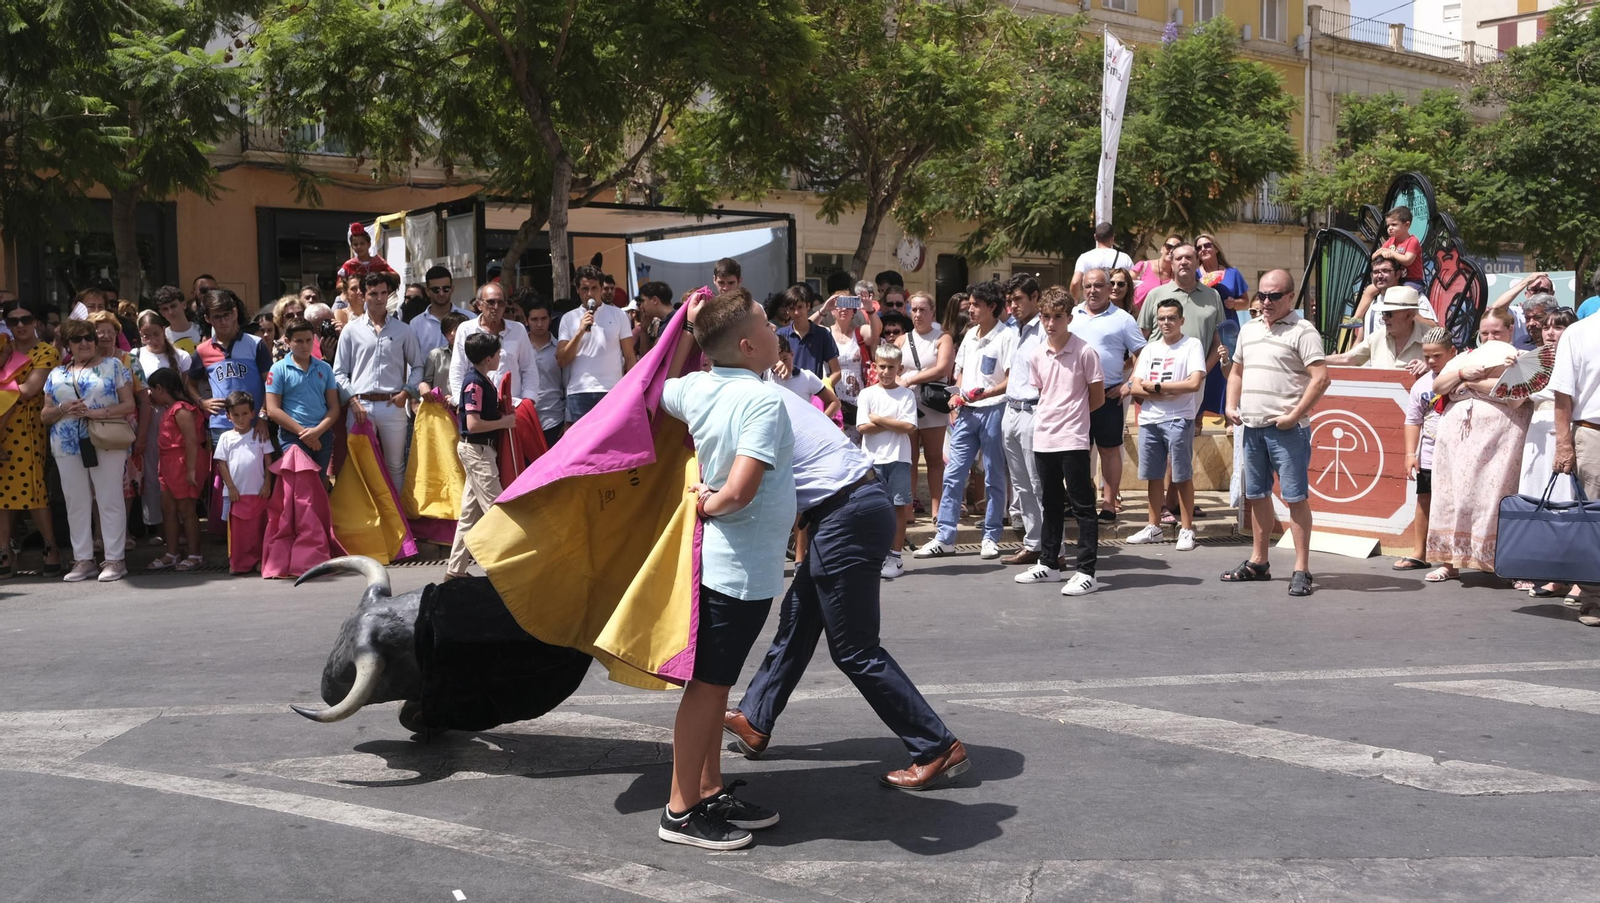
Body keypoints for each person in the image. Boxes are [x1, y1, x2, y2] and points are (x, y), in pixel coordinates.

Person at [725, 380, 968, 791]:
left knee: (855, 650)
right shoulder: (764, 393)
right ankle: (755, 718)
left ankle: (936, 746)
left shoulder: (746, 403)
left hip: (846, 515)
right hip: (847, 510)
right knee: (798, 620)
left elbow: (743, 490)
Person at [657, 289, 794, 851]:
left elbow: (651, 384)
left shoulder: (695, 386)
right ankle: (680, 810)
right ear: (746, 343)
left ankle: (708, 789)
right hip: (736, 571)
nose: (774, 325)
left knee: (715, 686)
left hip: (734, 568)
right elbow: (738, 490)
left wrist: (684, 330)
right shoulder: (762, 401)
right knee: (708, 690)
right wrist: (704, 502)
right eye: (765, 321)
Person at [1221, 270, 1330, 597]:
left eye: (1274, 296)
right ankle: (1259, 561)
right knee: (1256, 496)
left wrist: (1295, 415)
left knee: (1295, 498)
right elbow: (1236, 371)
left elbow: (1321, 378)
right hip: (1251, 427)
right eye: (1263, 295)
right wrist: (1230, 405)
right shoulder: (1249, 329)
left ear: (1290, 297)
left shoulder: (1303, 330)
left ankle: (1301, 568)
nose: (1266, 302)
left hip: (1287, 430)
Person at [1423, 315, 1533, 583]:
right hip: (1457, 439)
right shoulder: (1465, 357)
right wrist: (1462, 374)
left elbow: (1516, 395)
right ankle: (1450, 561)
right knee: (1453, 497)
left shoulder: (1522, 358)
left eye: (1496, 331)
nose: (1490, 337)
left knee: (1497, 497)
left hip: (1501, 439)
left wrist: (1471, 384)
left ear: (1510, 330)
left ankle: (1508, 564)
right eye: (1485, 332)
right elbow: (1439, 386)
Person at [1013, 286, 1105, 595]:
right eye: (1046, 317)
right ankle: (1049, 564)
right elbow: (1043, 392)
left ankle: (1087, 571)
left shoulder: (1085, 351)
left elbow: (1096, 397)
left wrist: (1073, 417)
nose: (1050, 323)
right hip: (1044, 437)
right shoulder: (1037, 353)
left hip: (1074, 438)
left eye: (1057, 317)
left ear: (1069, 318)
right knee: (1049, 503)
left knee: (1082, 506)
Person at [914, 281, 1016, 561]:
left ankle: (991, 535)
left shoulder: (1007, 337)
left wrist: (985, 393)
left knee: (994, 475)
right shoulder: (970, 335)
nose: (970, 309)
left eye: (976, 305)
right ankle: (945, 536)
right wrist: (956, 397)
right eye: (969, 304)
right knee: (953, 474)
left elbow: (1011, 380)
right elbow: (959, 374)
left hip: (994, 410)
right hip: (966, 412)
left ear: (992, 307)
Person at [40, 319, 137, 583]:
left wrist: (96, 412)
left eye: (88, 338)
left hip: (104, 437)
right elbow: (45, 414)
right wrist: (63, 409)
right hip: (66, 442)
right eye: (77, 339)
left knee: (110, 498)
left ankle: (115, 559)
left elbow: (128, 405)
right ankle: (83, 559)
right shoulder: (56, 374)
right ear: (68, 345)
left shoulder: (113, 365)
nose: (84, 343)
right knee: (76, 502)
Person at [1138, 244, 1226, 521]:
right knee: (1160, 444)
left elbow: (1217, 339)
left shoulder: (1212, 296)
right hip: (1155, 383)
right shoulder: (1156, 295)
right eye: (1179, 258)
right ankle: (1163, 507)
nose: (1184, 262)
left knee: (1182, 442)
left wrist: (1200, 373)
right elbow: (1142, 339)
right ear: (1171, 262)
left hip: (1193, 382)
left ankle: (1173, 502)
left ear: (1198, 260)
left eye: (1189, 257)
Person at [1126, 297, 1207, 551]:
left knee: (1182, 476)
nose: (1166, 322)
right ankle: (1154, 527)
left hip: (1179, 418)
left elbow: (1193, 383)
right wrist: (1165, 391)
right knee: (1153, 475)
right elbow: (1136, 386)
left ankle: (1186, 529)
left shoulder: (1191, 345)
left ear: (1182, 320)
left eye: (1172, 318)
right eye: (1162, 318)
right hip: (1150, 419)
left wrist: (1160, 387)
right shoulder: (1150, 348)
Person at [334, 272, 424, 488]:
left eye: (384, 293)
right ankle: (365, 520)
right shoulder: (350, 330)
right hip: (360, 405)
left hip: (392, 404)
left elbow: (418, 366)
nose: (379, 298)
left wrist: (406, 393)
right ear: (363, 295)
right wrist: (353, 402)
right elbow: (339, 372)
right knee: (360, 465)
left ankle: (397, 520)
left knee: (395, 466)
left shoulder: (404, 330)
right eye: (373, 293)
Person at [1072, 268, 1147, 520]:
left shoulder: (1123, 318)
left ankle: (1109, 503)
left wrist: (1128, 386)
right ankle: (1081, 501)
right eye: (1088, 286)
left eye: (1098, 286)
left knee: (1109, 450)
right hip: (1074, 396)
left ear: (1108, 289)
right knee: (1077, 451)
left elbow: (1142, 355)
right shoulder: (1072, 315)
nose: (1093, 291)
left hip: (1108, 395)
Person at [442, 332, 518, 580]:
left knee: (470, 514)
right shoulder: (474, 383)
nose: (499, 356)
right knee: (497, 511)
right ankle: (504, 567)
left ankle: (456, 569)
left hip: (478, 450)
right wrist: (504, 422)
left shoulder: (481, 380)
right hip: (478, 451)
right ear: (488, 358)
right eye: (496, 353)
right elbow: (473, 424)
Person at [0, 299, 63, 578]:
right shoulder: (4, 348)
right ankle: (4, 550)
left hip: (27, 428)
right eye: (13, 321)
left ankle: (51, 547)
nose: (21, 325)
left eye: (26, 319)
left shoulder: (45, 352)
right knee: (1, 494)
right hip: (1, 427)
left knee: (34, 488)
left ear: (36, 322)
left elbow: (29, 389)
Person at [1393, 328, 1457, 572]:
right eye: (1427, 356)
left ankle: (1451, 559)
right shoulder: (1422, 384)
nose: (1431, 362)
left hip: (1458, 454)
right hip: (1430, 453)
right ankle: (1420, 552)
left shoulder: (1465, 377)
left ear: (1452, 352)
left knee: (1454, 504)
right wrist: (1411, 454)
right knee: (1424, 500)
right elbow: (1413, 420)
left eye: (1437, 356)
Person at [1552, 305, 1600, 624]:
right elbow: (1563, 394)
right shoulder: (1579, 331)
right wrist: (1563, 443)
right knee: (1593, 520)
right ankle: (1595, 599)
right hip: (1593, 434)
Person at [855, 344, 919, 578]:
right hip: (872, 461)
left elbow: (909, 427)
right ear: (875, 366)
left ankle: (895, 557)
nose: (886, 371)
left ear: (899, 368)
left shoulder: (906, 395)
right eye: (882, 366)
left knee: (898, 508)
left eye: (891, 367)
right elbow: (863, 427)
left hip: (899, 460)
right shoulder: (867, 394)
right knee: (870, 508)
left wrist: (879, 419)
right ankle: (874, 554)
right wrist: (894, 422)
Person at [133, 311, 194, 546]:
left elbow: (189, 388)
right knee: (153, 471)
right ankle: (160, 525)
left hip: (176, 417)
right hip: (149, 418)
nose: (153, 340)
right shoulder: (135, 356)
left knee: (176, 470)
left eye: (156, 334)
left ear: (164, 330)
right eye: (147, 335)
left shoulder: (180, 356)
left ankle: (184, 523)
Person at [997, 275, 1046, 566]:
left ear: (1034, 297)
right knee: (1021, 485)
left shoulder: (1045, 329)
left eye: (1018, 299)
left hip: (1034, 411)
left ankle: (1056, 550)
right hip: (1011, 410)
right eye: (1010, 301)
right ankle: (1034, 543)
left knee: (1040, 483)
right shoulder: (1012, 330)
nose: (1013, 306)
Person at [448, 282, 540, 427]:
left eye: (501, 303)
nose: (496, 307)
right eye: (491, 302)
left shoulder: (518, 330)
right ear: (479, 305)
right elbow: (458, 369)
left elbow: (529, 368)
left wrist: (528, 401)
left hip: (513, 410)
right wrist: (463, 403)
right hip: (478, 411)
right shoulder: (466, 329)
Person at [143, 368, 206, 572]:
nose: (150, 394)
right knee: (168, 509)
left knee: (186, 510)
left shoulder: (181, 409)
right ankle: (172, 552)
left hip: (182, 463)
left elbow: (192, 440)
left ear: (160, 388)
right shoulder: (169, 409)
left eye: (152, 390)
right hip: (167, 464)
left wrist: (190, 471)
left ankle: (195, 554)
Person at [898, 291, 953, 520]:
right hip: (907, 406)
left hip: (932, 404)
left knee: (933, 459)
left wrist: (910, 378)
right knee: (908, 459)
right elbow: (895, 368)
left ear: (932, 312)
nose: (918, 314)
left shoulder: (943, 338)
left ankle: (937, 508)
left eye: (922, 309)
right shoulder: (902, 339)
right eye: (914, 309)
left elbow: (942, 369)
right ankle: (907, 509)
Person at [192, 289, 272, 445]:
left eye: (226, 315)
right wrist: (202, 402)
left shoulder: (255, 344)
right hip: (221, 424)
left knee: (258, 468)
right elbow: (190, 384)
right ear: (208, 319)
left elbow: (270, 383)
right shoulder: (202, 350)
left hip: (254, 421)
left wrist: (263, 416)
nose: (223, 322)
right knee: (224, 469)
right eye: (217, 317)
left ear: (234, 313)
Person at [558, 265, 636, 423]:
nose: (590, 294)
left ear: (601, 288)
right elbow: (562, 360)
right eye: (585, 289)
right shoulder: (568, 318)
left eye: (594, 288)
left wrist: (632, 389)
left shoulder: (619, 315)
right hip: (579, 392)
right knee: (581, 445)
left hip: (612, 390)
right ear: (578, 290)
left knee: (611, 444)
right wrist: (580, 331)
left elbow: (629, 357)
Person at [266, 318, 341, 476]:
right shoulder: (278, 369)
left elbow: (334, 407)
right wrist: (304, 434)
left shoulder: (325, 368)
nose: (305, 346)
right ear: (287, 341)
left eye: (308, 340)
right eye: (298, 341)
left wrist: (317, 432)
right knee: (299, 486)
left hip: (322, 435)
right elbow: (273, 409)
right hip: (292, 436)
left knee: (319, 484)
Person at [213, 390, 275, 575]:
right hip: (236, 495)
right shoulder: (226, 438)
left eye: (244, 414)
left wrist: (267, 484)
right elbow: (221, 464)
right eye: (236, 415)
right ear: (228, 416)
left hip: (258, 492)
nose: (240, 418)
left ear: (252, 413)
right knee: (239, 533)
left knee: (258, 530)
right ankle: (238, 563)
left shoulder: (260, 435)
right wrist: (231, 487)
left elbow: (268, 460)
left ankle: (259, 560)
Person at [1326, 286, 1430, 373]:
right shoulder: (1376, 337)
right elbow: (1346, 359)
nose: (1384, 318)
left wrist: (1431, 367)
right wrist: (1314, 359)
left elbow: (1446, 367)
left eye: (1389, 314)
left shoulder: (1431, 338)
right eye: (1384, 313)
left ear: (1409, 315)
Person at [826, 280, 883, 433]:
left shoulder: (860, 331)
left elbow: (875, 333)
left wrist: (870, 310)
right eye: (838, 305)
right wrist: (823, 309)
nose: (843, 309)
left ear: (854, 311)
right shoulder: (825, 333)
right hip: (832, 395)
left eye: (848, 305)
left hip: (858, 395)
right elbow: (806, 327)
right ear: (832, 310)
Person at [1348, 256, 1438, 341]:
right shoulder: (1371, 300)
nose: (1379, 276)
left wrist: (1413, 314)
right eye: (1376, 272)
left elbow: (1435, 330)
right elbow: (1361, 340)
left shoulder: (1414, 297)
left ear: (1398, 274)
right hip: (1373, 356)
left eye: (1385, 271)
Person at [776, 285, 841, 383]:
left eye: (800, 307)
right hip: (788, 392)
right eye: (792, 308)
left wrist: (822, 390)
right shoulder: (781, 335)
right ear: (787, 310)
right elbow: (771, 365)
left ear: (808, 306)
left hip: (814, 394)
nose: (796, 312)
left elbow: (836, 372)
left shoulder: (823, 334)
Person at [523, 296, 565, 449]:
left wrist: (567, 419)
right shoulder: (519, 349)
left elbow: (567, 384)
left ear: (550, 319)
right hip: (525, 420)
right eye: (534, 319)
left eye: (543, 318)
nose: (539, 324)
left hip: (555, 419)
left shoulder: (560, 350)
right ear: (526, 320)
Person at [773, 336, 841, 418]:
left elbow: (834, 402)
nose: (782, 365)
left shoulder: (806, 377)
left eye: (785, 359)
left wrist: (819, 423)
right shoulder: (766, 375)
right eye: (777, 361)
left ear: (792, 354)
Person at [409, 265, 472, 355]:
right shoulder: (416, 324)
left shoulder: (470, 318)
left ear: (452, 289)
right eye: (436, 290)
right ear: (427, 291)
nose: (441, 293)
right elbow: (414, 362)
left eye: (446, 289)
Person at [1488, 274, 1558, 351]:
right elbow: (1495, 310)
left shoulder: (1560, 317)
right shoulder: (1518, 313)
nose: (1538, 294)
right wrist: (1526, 281)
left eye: (1543, 291)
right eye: (1534, 290)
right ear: (1526, 294)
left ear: (1552, 293)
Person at [1070, 222, 1133, 301]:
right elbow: (1132, 282)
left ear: (1095, 237)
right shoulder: (1124, 258)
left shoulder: (1085, 258)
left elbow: (1075, 282)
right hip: (1117, 305)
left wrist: (1075, 303)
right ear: (1113, 237)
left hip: (1093, 305)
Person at [1372, 206, 1424, 290]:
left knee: (1401, 293)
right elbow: (1374, 256)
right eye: (1388, 225)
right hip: (1394, 279)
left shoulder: (1412, 241)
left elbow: (1407, 260)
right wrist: (1382, 252)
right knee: (1370, 290)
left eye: (1394, 224)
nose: (1390, 228)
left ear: (1406, 225)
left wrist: (1390, 252)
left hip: (1412, 280)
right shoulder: (1391, 241)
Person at [419, 311, 468, 401]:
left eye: (456, 329)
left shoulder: (473, 355)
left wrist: (455, 399)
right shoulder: (435, 355)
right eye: (448, 331)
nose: (453, 334)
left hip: (466, 406)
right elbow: (427, 381)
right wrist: (424, 386)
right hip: (440, 409)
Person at [1131, 234, 1183, 314]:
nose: (1171, 250)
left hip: (1161, 322)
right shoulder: (1143, 267)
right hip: (1135, 318)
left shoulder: (1178, 277)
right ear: (1162, 248)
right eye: (1169, 246)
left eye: (1176, 248)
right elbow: (1124, 286)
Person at [633, 281, 676, 359]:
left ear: (654, 300)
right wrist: (644, 330)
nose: (641, 306)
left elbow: (653, 358)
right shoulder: (666, 322)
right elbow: (647, 358)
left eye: (643, 301)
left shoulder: (674, 322)